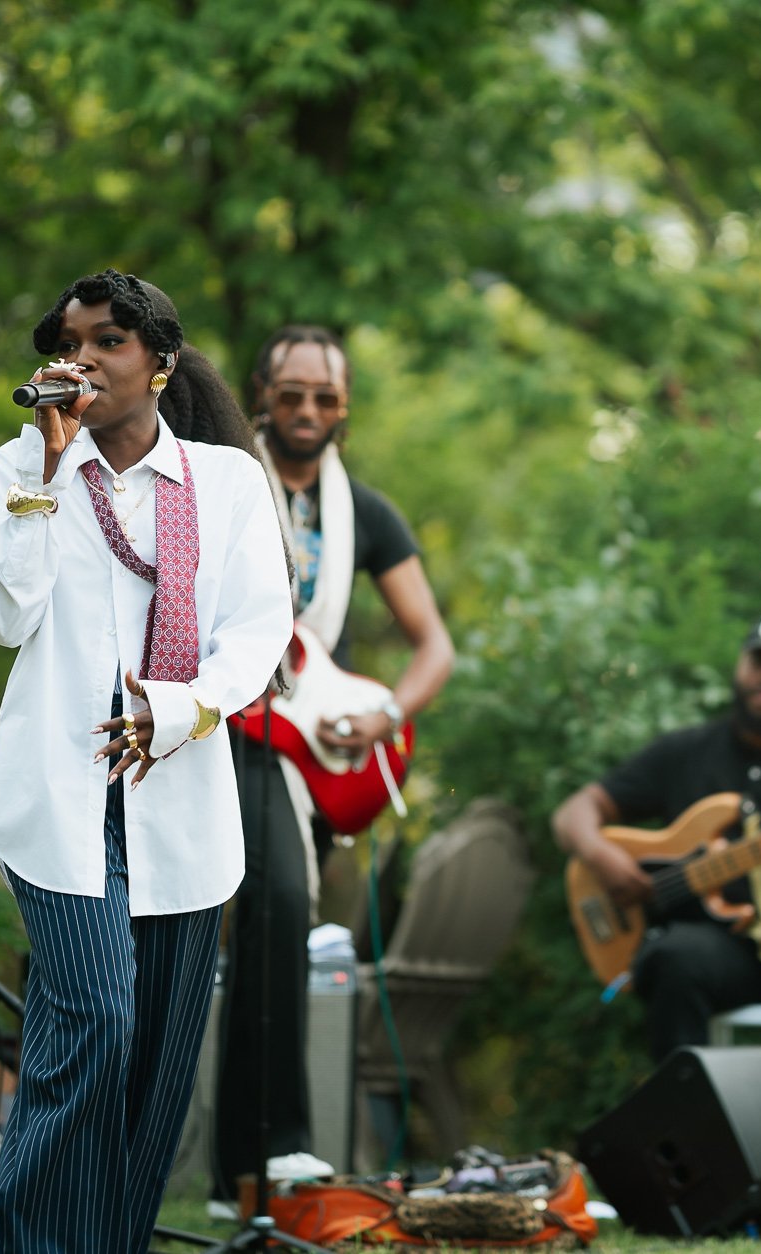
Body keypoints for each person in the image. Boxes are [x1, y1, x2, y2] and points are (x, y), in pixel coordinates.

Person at [0, 269, 292, 1253]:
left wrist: (175, 711)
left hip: (180, 808)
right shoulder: (21, 465)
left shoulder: (225, 482)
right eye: (70, 344)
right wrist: (47, 471)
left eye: (107, 341)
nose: (83, 360)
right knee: (95, 1022)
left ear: (160, 363)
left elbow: (257, 631)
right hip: (56, 805)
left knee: (153, 1067)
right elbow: (0, 615)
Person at [207, 324, 454, 1208]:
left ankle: (250, 1166)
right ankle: (260, 1150)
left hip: (307, 746)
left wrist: (385, 713)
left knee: (275, 923)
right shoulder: (222, 480)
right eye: (291, 394)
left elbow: (435, 648)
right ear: (261, 396)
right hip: (222, 721)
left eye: (326, 397)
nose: (308, 410)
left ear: (344, 407)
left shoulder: (368, 513)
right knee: (257, 909)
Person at [550, 612, 761, 1071]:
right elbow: (574, 813)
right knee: (674, 958)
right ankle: (684, 1112)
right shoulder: (683, 752)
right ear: (740, 664)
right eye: (760, 662)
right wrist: (600, 855)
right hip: (710, 948)